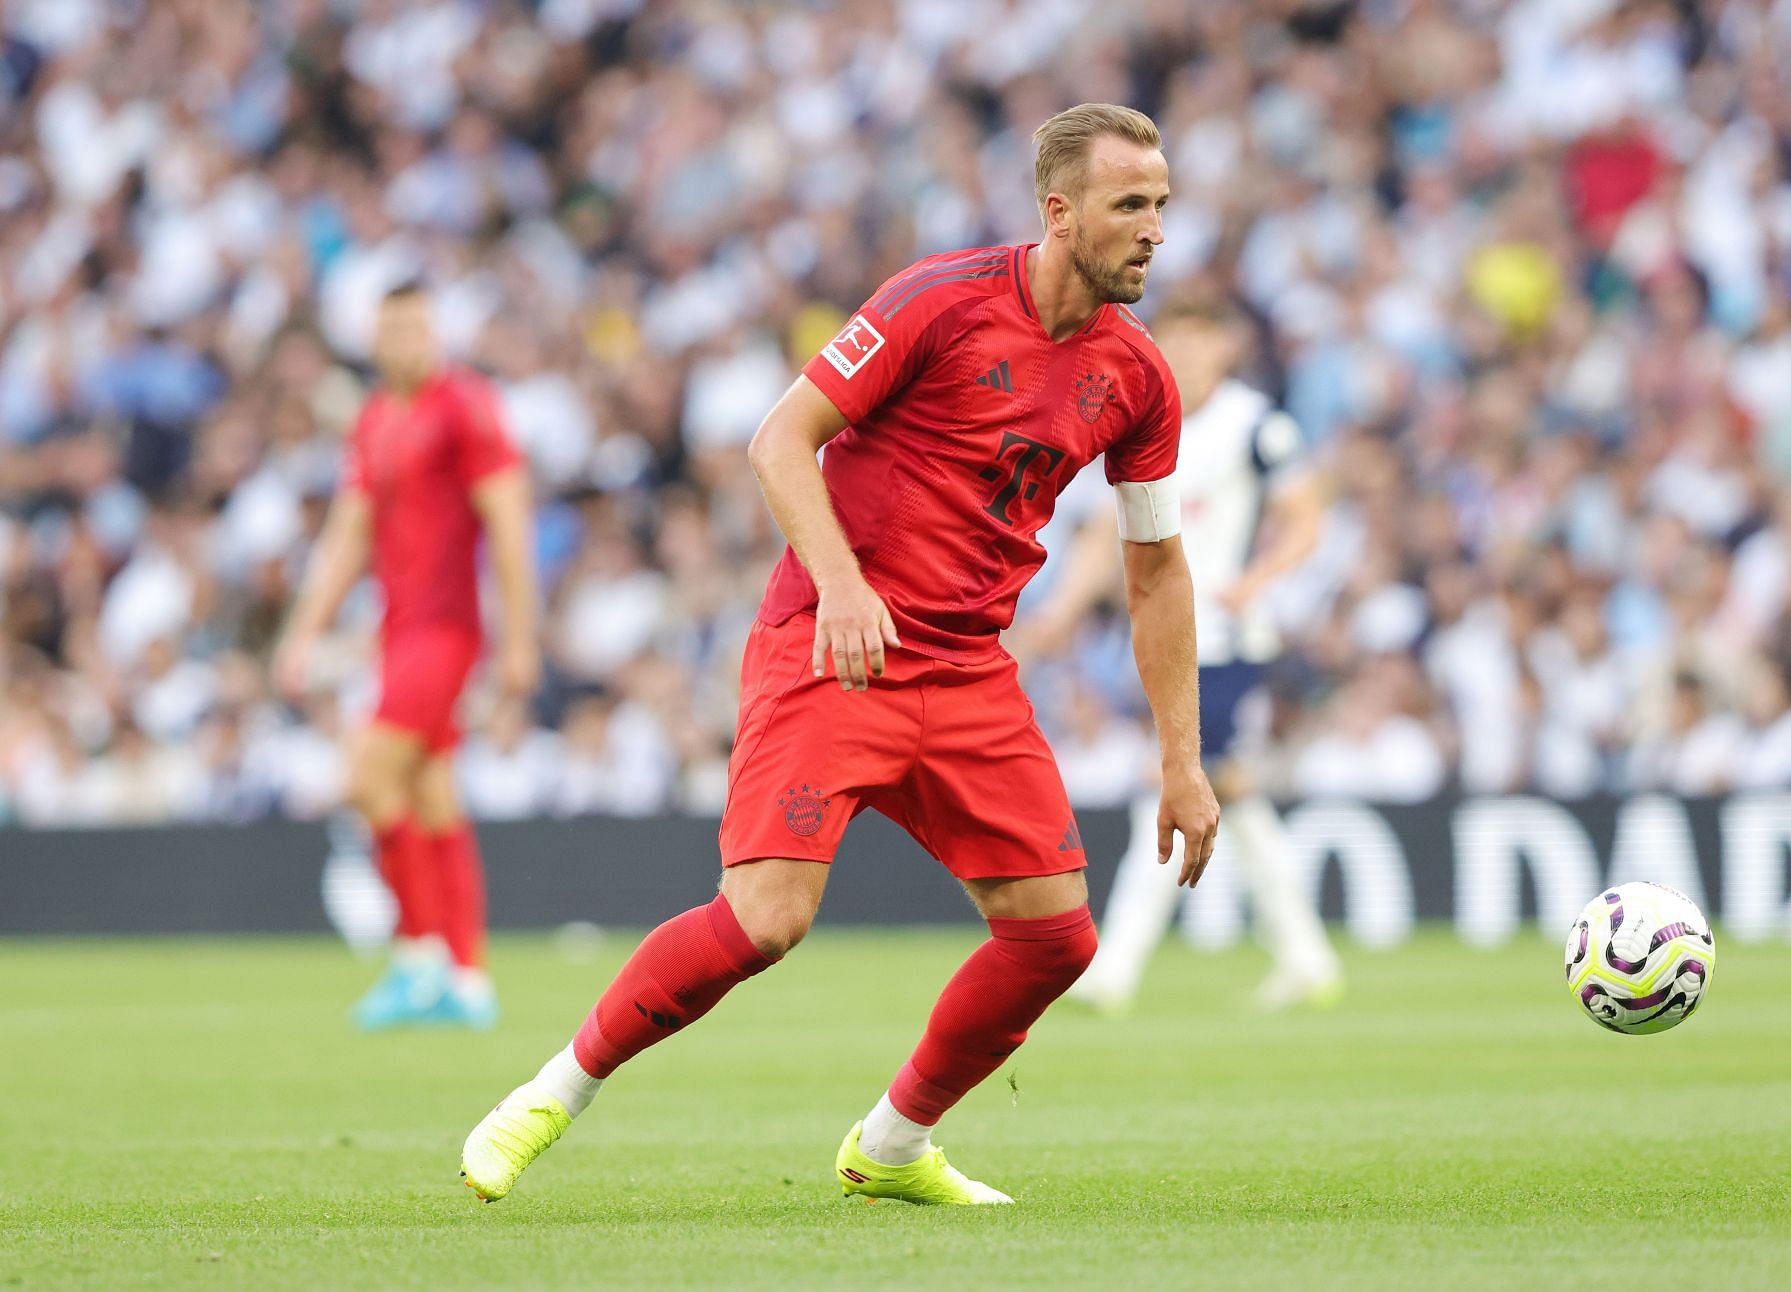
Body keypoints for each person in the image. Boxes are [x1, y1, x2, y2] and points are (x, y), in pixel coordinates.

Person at [458, 103, 1218, 1208]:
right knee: (767, 920)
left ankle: (894, 1145)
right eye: (1130, 205)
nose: (1155, 229)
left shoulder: (1137, 380)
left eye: (1161, 205)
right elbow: (780, 439)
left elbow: (1157, 573)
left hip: (966, 671)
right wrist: (846, 587)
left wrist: (1181, 761)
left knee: (1055, 939)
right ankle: (551, 1092)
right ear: (1059, 214)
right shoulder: (939, 299)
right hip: (833, 647)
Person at [1024, 295, 1343, 1014]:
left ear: (1224, 348)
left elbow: (1306, 519)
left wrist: (1253, 581)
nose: (1190, 357)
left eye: (1202, 343)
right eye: (1178, 343)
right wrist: (1063, 612)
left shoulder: (1257, 426)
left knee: (1166, 786)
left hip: (1225, 641)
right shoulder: (1142, 420)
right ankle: (1307, 956)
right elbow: (1106, 537)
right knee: (1233, 795)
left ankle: (1114, 970)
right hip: (1167, 638)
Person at [274, 280, 538, 1030]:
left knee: (365, 778)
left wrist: (520, 639)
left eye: (419, 327)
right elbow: (348, 536)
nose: (407, 342)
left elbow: (510, 520)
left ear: (436, 331)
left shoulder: (466, 406)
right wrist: (303, 631)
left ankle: (418, 961)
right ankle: (468, 977)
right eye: (394, 328)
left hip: (445, 632)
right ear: (374, 336)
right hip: (398, 632)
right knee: (431, 794)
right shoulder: (376, 419)